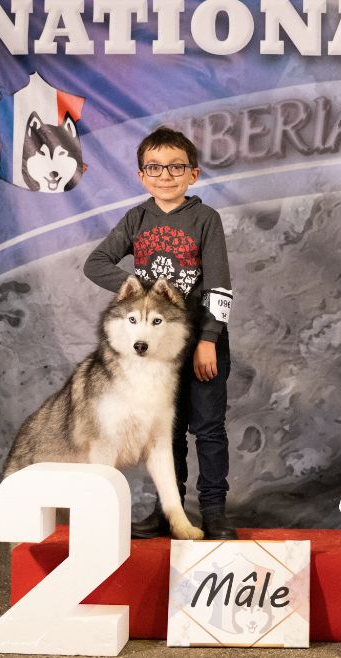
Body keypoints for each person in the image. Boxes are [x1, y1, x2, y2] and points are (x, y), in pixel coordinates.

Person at [84, 127, 237, 540]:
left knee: (208, 428)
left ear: (193, 174)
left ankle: (214, 512)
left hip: (201, 341)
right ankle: (169, 512)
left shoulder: (205, 219)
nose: (165, 175)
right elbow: (95, 263)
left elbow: (220, 286)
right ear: (141, 175)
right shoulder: (136, 218)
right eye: (154, 167)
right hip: (155, 349)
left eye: (175, 167)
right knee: (165, 430)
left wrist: (209, 339)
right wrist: (136, 289)